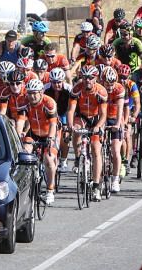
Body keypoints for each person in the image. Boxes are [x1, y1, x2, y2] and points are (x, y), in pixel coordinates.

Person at [66, 65, 108, 201]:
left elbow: (103, 114)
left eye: (90, 77)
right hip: (82, 116)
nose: (87, 80)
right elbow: (71, 110)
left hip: (96, 119)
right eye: (84, 77)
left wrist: (98, 126)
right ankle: (78, 158)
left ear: (95, 78)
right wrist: (70, 125)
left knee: (96, 150)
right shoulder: (77, 89)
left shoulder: (101, 91)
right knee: (76, 130)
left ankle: (96, 186)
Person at [14, 79, 59, 206]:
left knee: (49, 158)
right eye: (29, 93)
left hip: (50, 133)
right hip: (33, 133)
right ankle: (27, 182)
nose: (32, 96)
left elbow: (53, 124)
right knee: (25, 153)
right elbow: (20, 122)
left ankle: (50, 190)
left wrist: (50, 139)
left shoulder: (49, 102)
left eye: (35, 93)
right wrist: (18, 136)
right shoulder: (23, 102)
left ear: (41, 92)